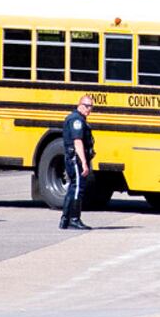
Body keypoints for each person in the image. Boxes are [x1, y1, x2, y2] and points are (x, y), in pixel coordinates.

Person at [60, 95, 96, 230]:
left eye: (91, 107)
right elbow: (78, 141)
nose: (89, 110)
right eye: (87, 106)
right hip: (76, 159)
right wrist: (84, 162)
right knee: (77, 189)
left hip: (73, 158)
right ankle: (74, 219)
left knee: (73, 188)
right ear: (80, 105)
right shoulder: (76, 120)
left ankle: (65, 219)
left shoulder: (77, 118)